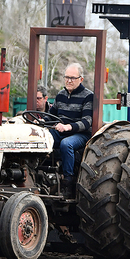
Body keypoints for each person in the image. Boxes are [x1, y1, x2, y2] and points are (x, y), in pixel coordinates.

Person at [49, 63, 94, 198]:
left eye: (73, 78)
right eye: (67, 77)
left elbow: (87, 121)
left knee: (66, 144)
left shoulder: (88, 96)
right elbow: (51, 115)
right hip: (61, 131)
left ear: (81, 79)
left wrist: (68, 127)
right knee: (44, 137)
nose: (69, 80)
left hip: (80, 134)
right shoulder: (60, 95)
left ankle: (67, 181)